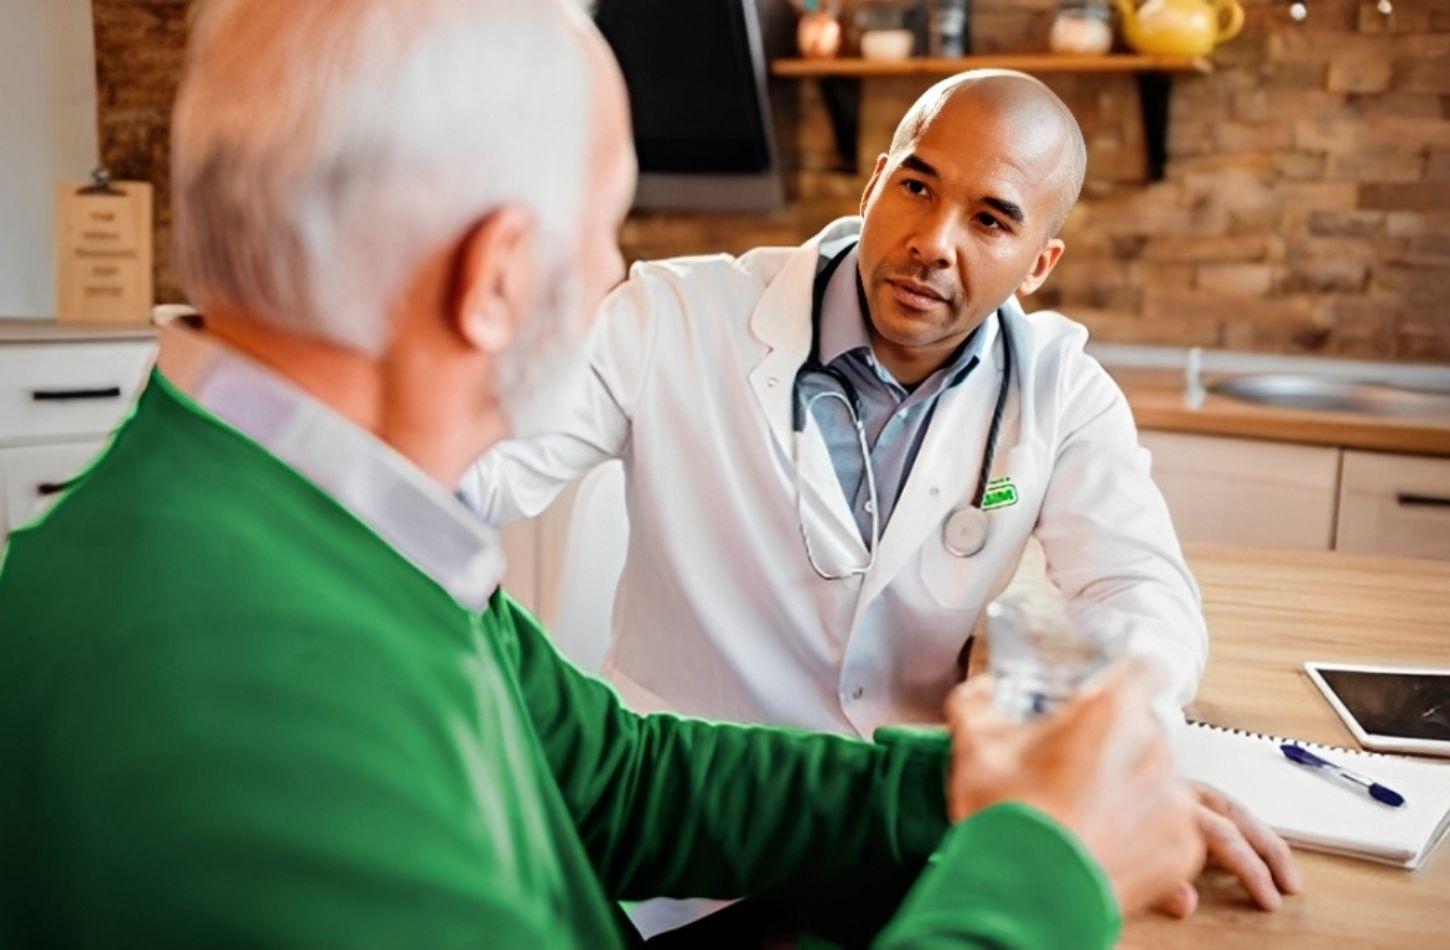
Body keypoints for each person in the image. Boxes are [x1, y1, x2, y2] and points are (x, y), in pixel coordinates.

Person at [0, 1, 1211, 945]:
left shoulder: (338, 534)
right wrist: (1041, 868)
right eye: (609, 225)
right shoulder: (248, 706)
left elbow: (621, 780)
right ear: (498, 277)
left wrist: (988, 786)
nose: (618, 273)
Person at [464, 68, 1300, 921]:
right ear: (875, 182)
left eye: (990, 219)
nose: (934, 240)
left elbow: (1139, 591)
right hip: (683, 843)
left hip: (904, 853)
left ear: (1039, 261)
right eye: (917, 186)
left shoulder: (1059, 391)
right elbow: (469, 473)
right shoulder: (671, 316)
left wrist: (1115, 755)